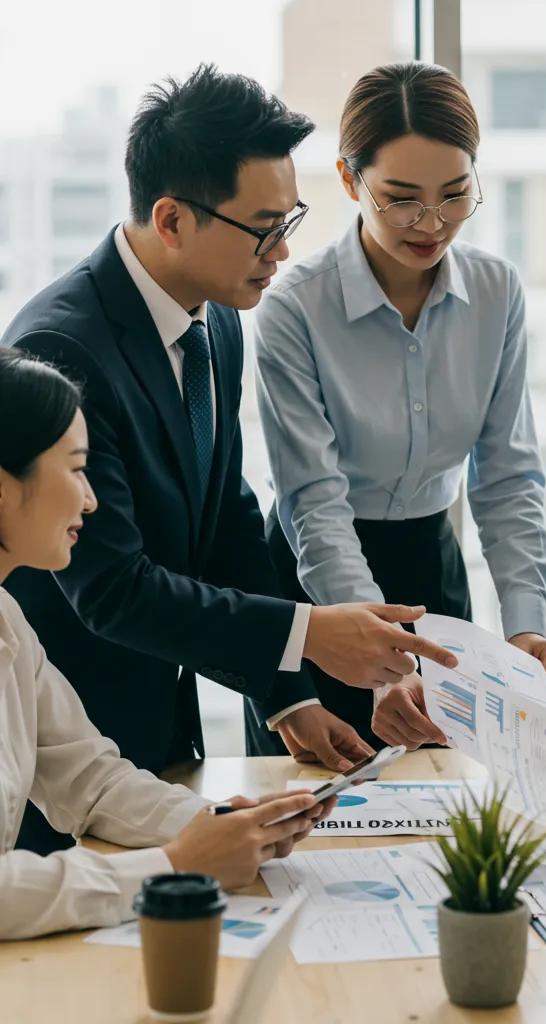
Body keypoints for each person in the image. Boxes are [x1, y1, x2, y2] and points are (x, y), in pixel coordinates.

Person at [0, 65, 456, 854]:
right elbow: (111, 588)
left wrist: (289, 698)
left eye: (291, 220)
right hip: (53, 763)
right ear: (172, 219)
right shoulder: (64, 347)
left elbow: (228, 518)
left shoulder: (217, 318)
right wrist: (308, 633)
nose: (283, 250)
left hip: (158, 749)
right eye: (264, 227)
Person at [254, 62, 546, 750]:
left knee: (449, 791)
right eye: (401, 199)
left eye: (455, 195)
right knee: (317, 794)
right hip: (316, 590)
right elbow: (314, 504)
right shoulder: (294, 309)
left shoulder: (496, 292)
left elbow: (508, 477)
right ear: (349, 180)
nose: (432, 223)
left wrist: (525, 628)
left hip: (432, 573)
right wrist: (382, 662)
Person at [0, 349, 336, 940]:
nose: (91, 500)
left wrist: (227, 824)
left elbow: (92, 782)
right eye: (76, 470)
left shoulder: (7, 619)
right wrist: (175, 867)